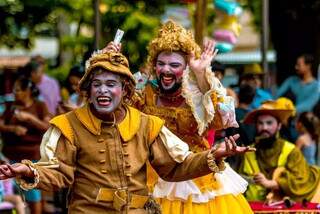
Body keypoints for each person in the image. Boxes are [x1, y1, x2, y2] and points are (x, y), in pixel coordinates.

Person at [0, 51, 252, 213]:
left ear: (125, 90)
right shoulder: (69, 125)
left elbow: (174, 167)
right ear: (87, 89)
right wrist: (29, 170)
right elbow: (59, 172)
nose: (103, 91)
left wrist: (213, 156)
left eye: (111, 84)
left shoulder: (146, 124)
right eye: (96, 84)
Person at [106, 20, 253, 214]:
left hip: (197, 174)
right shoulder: (144, 92)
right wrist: (109, 64)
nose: (166, 70)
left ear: (186, 68)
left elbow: (220, 120)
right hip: (151, 176)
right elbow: (111, 109)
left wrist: (201, 75)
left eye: (174, 64)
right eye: (161, 64)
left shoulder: (197, 95)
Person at [238, 98, 320, 203]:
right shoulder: (247, 151)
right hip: (254, 207)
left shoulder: (292, 150)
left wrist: (272, 183)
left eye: (269, 123)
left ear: (279, 126)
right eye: (260, 123)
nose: (264, 127)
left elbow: (302, 181)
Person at [0, 76, 52, 214]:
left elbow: (47, 127)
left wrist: (30, 118)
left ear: (28, 91)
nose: (15, 93)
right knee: (16, 193)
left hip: (31, 157)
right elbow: (1, 125)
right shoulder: (10, 106)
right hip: (11, 155)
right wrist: (13, 129)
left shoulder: (40, 106)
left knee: (33, 192)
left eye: (18, 90)